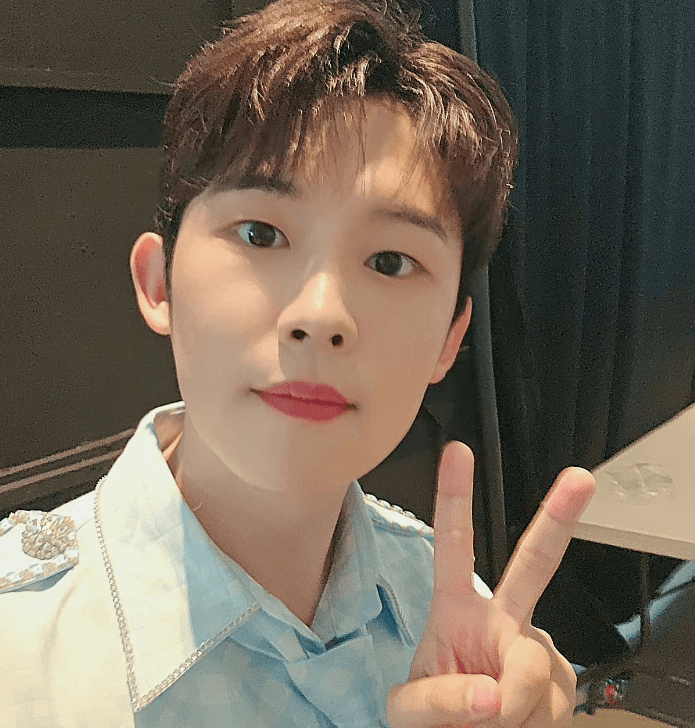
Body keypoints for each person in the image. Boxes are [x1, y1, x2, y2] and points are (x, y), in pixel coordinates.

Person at [0, 0, 596, 725]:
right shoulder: (18, 645)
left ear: (449, 339)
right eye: (260, 233)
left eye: (390, 260)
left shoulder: (446, 610)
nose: (321, 314)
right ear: (159, 284)